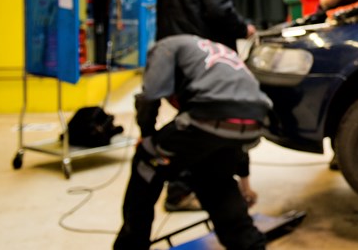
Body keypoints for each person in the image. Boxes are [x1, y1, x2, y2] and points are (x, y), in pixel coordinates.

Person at [114, 35, 272, 250]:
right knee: (215, 177)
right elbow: (235, 119)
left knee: (146, 162)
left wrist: (148, 137)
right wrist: (245, 182)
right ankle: (249, 245)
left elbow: (149, 96)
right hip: (256, 119)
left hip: (209, 115)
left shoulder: (164, 48)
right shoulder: (216, 50)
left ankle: (131, 246)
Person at [154, 0, 257, 211]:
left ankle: (190, 183)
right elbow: (218, 10)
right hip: (200, 57)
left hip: (175, 54)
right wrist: (243, 28)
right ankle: (180, 190)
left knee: (193, 116)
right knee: (205, 119)